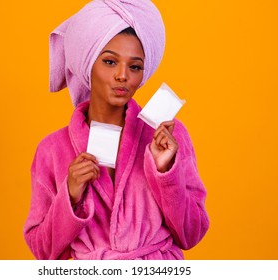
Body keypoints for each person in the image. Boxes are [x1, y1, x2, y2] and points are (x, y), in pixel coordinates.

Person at [23, 0, 209, 260]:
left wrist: (166, 173)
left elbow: (192, 233)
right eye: (110, 62)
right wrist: (70, 195)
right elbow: (42, 250)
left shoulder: (168, 138)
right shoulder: (52, 150)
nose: (123, 75)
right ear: (88, 64)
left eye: (134, 66)